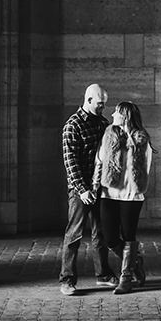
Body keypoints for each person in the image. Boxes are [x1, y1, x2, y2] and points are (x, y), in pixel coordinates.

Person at [59, 83, 116, 296]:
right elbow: (71, 163)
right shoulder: (72, 126)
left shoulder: (102, 123)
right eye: (100, 104)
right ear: (89, 100)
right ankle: (67, 280)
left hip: (99, 187)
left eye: (104, 104)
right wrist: (83, 190)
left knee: (100, 233)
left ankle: (103, 275)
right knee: (74, 234)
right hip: (79, 190)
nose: (103, 108)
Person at [92, 101, 153, 295]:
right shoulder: (109, 134)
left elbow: (146, 167)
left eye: (117, 113)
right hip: (109, 193)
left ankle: (126, 278)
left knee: (128, 236)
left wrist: (137, 188)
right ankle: (135, 260)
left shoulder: (142, 139)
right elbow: (99, 160)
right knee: (110, 238)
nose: (112, 115)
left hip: (131, 196)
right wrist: (95, 185)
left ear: (125, 116)